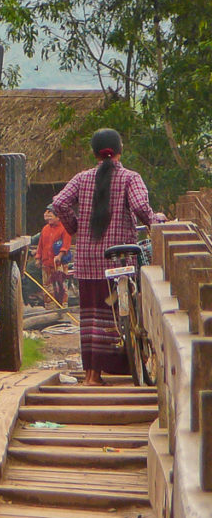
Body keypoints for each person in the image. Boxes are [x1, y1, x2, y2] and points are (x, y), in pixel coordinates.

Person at [51, 128, 165, 387]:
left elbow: (59, 204)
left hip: (88, 258)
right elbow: (139, 206)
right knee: (117, 310)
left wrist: (76, 227)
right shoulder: (129, 177)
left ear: (94, 153)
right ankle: (125, 364)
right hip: (119, 258)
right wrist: (154, 220)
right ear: (120, 150)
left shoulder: (82, 178)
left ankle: (92, 375)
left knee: (90, 313)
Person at [37, 205, 72, 307]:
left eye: (51, 216)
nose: (48, 218)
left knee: (61, 285)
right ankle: (50, 307)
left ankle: (63, 306)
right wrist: (38, 258)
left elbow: (66, 245)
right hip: (47, 263)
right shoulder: (45, 229)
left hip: (59, 264)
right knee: (47, 286)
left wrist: (59, 256)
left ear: (58, 217)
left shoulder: (64, 229)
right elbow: (41, 245)